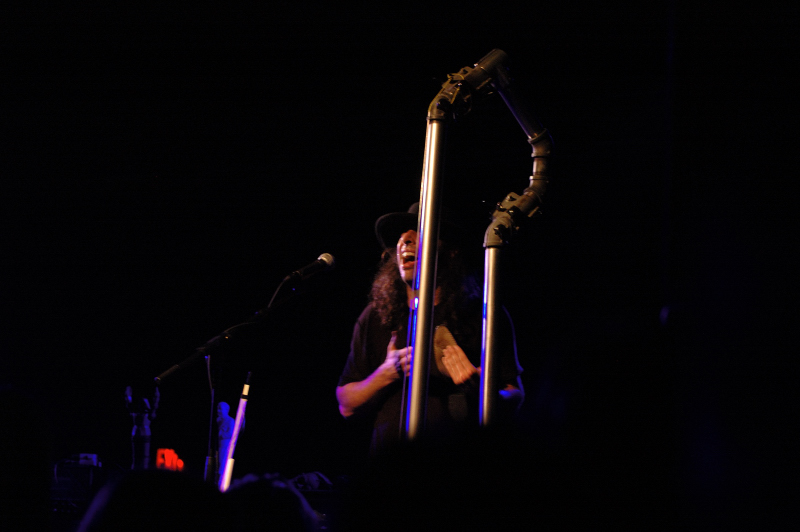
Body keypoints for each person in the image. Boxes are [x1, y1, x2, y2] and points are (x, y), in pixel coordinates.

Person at [336, 203, 524, 455]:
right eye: (402, 234)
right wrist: (385, 374)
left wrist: (482, 389)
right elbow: (346, 405)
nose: (405, 238)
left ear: (451, 250)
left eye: (418, 231)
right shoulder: (376, 316)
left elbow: (515, 396)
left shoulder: (483, 316)